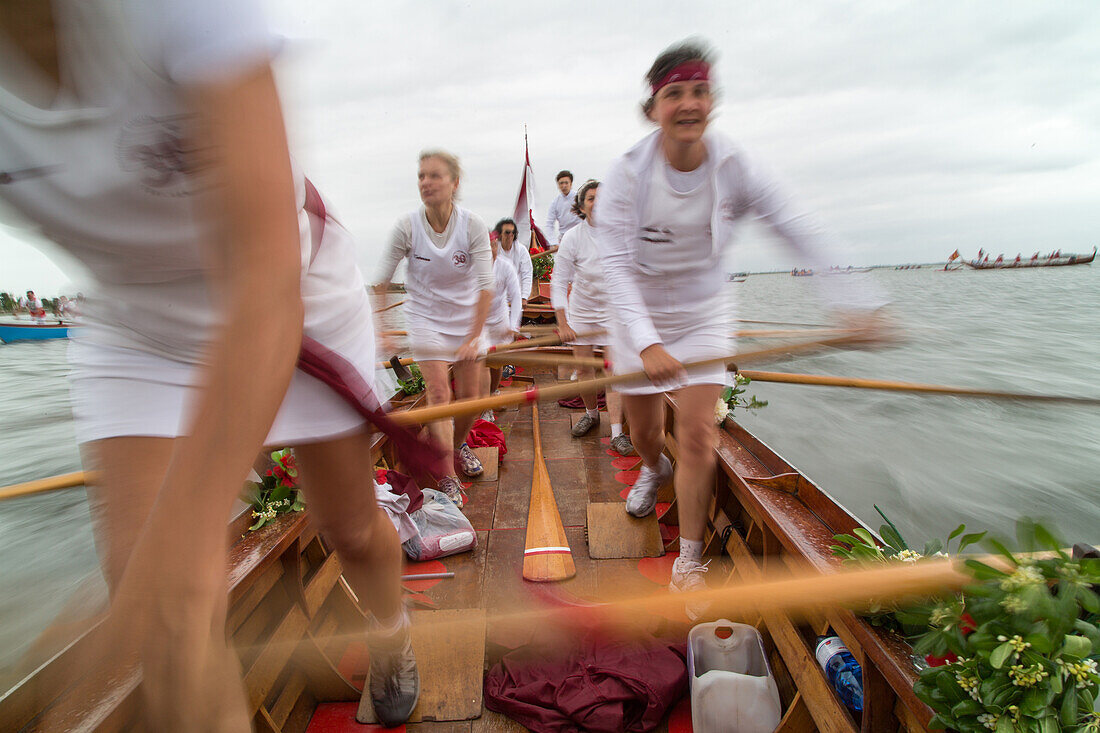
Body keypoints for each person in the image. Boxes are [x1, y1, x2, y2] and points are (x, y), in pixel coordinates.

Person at [0, 1, 420, 727]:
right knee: (167, 613)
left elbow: (265, 278)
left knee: (347, 527)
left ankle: (392, 637)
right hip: (136, 325)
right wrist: (164, 581)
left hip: (288, 295)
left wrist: (185, 544)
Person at [597, 39, 884, 619]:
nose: (688, 104)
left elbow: (795, 224)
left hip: (704, 313)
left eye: (699, 91)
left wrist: (854, 300)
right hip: (638, 318)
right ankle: (655, 471)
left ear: (712, 100)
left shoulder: (735, 165)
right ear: (653, 108)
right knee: (647, 432)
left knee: (699, 434)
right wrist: (647, 342)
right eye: (673, 93)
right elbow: (615, 268)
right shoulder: (628, 175)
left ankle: (691, 561)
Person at [374, 150, 493, 504]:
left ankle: (457, 445)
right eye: (422, 176)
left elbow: (486, 286)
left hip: (467, 317)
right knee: (440, 395)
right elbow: (381, 282)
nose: (426, 182)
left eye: (435, 176)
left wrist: (473, 338)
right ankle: (449, 476)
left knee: (471, 399)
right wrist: (381, 329)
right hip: (425, 319)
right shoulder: (407, 226)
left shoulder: (472, 225)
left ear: (454, 183)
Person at [551, 179, 634, 456]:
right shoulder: (573, 237)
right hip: (583, 312)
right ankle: (591, 414)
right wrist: (563, 323)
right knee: (585, 370)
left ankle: (617, 433)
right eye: (591, 199)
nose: (597, 203)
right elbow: (559, 281)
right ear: (582, 206)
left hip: (612, 314)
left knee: (613, 371)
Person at [480, 235, 523, 421]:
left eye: (493, 247)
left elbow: (516, 297)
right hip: (479, 321)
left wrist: (513, 326)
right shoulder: (471, 268)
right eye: (486, 248)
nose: (491, 252)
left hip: (499, 320)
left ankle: (493, 391)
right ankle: (485, 405)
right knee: (482, 362)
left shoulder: (506, 267)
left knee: (495, 363)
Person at [494, 217, 534, 304]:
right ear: (500, 234)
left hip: (516, 297)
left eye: (513, 232)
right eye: (507, 232)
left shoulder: (522, 250)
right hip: (497, 298)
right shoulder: (494, 249)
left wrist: (524, 297)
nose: (511, 235)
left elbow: (527, 274)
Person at [545, 170, 581, 244]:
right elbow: (549, 223)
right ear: (558, 185)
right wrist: (553, 242)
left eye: (566, 183)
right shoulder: (555, 203)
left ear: (571, 184)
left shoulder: (579, 198)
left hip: (580, 236)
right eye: (561, 183)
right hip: (564, 239)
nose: (564, 186)